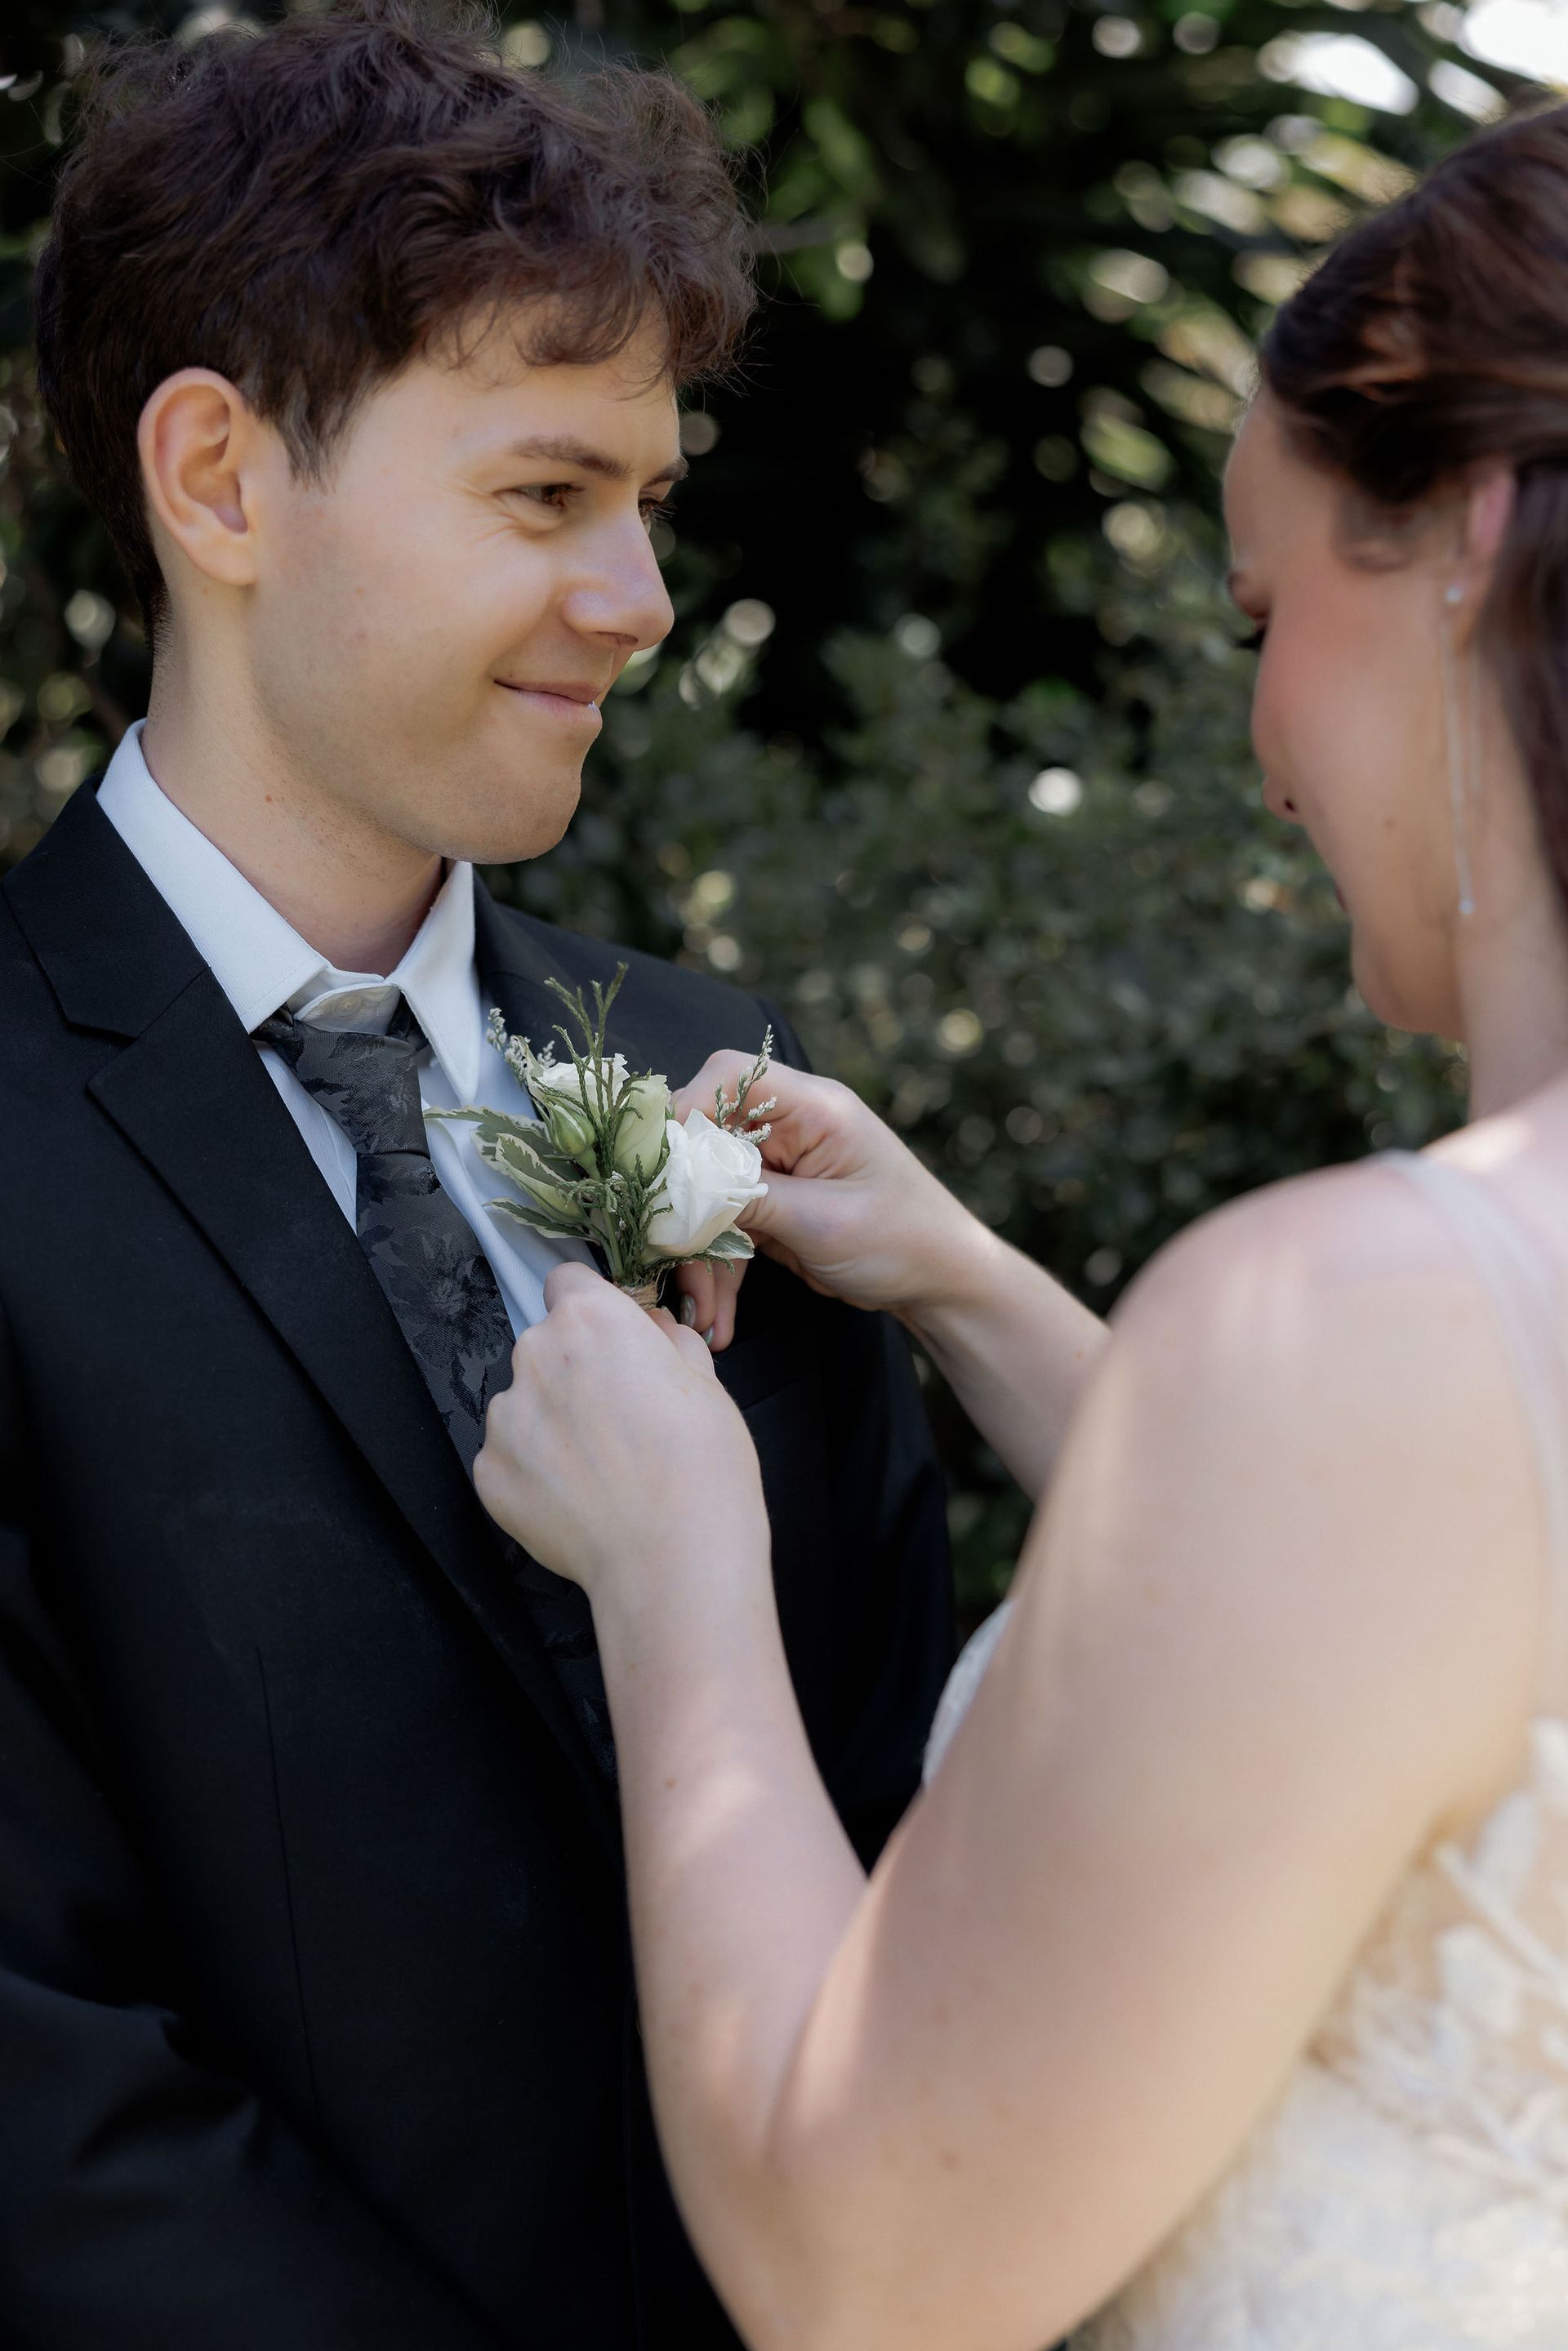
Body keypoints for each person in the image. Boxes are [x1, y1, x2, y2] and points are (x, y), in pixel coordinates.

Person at [477, 100, 1568, 2351]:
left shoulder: (1359, 1318)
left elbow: (864, 2260)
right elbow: (1419, 1600)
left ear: (1466, 544)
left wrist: (683, 1550)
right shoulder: (1438, 1352)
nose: (1265, 743)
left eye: (1268, 611)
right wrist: (974, 1284)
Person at [0, 7, 955, 2344]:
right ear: (219, 482)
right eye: (547, 499)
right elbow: (43, 2089)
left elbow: (915, 1823)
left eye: (652, 504)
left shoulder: (743, 1095)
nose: (639, 602)